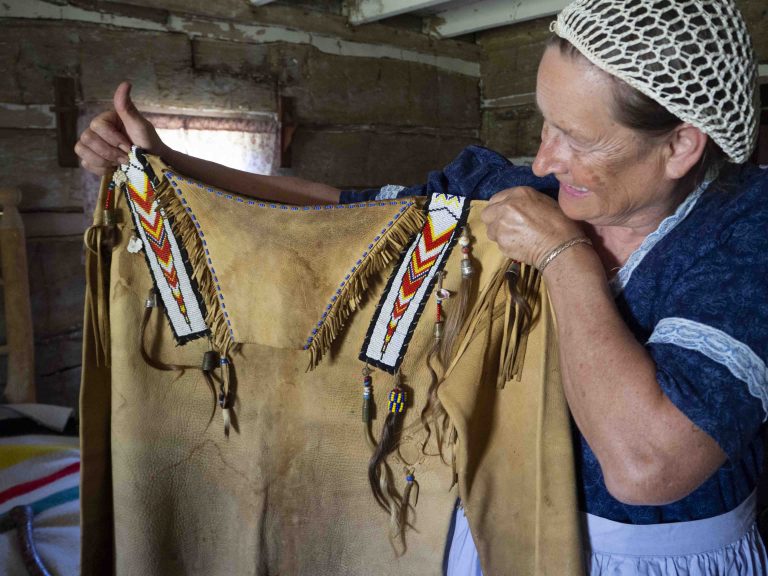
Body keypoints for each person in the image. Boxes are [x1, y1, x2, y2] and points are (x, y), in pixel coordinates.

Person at [75, 0, 768, 573]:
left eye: (578, 138)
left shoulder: (745, 235)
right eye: (544, 123)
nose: (546, 159)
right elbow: (340, 211)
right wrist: (170, 162)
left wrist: (565, 257)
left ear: (681, 145)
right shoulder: (504, 189)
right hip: (495, 533)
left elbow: (646, 467)